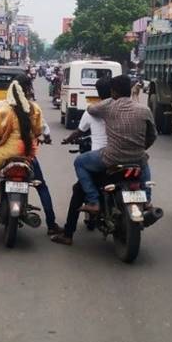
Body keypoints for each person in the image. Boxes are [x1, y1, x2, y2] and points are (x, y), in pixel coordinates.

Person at [0, 74, 61, 236]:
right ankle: (51, 224)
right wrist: (46, 138)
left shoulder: (1, 106)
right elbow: (42, 129)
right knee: (41, 186)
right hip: (26, 155)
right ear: (28, 89)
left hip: (3, 154)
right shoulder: (33, 108)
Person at [74, 75, 156, 214]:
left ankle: (94, 201)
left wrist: (109, 100)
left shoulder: (109, 107)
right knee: (144, 161)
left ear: (113, 92)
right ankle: (147, 200)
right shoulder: (144, 110)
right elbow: (153, 135)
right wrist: (141, 148)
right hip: (137, 157)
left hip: (112, 157)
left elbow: (90, 109)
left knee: (79, 162)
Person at [51, 77, 113, 246]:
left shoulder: (92, 110)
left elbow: (79, 131)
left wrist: (67, 140)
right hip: (125, 158)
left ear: (98, 92)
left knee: (78, 190)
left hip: (101, 158)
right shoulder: (122, 109)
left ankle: (68, 233)